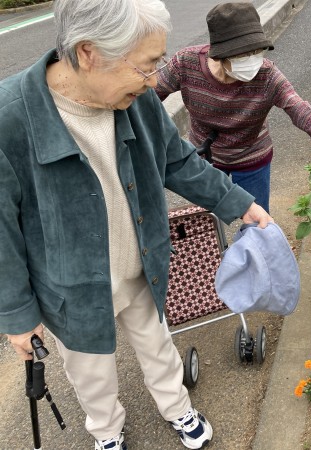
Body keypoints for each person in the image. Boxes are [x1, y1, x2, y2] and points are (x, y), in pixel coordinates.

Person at [0, 0, 272, 449]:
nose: (153, 80)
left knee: (159, 346)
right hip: (71, 290)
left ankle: (178, 408)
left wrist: (238, 203)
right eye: (145, 65)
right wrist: (17, 317)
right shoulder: (10, 119)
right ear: (88, 52)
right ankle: (106, 432)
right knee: (90, 372)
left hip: (141, 265)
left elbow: (177, 160)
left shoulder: (136, 101)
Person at [155, 2, 311, 213]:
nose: (252, 60)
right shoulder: (186, 63)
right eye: (242, 54)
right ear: (219, 54)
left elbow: (299, 108)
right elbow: (148, 94)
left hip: (252, 158)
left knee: (258, 222)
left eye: (257, 51)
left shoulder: (266, 75)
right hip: (205, 158)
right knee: (207, 222)